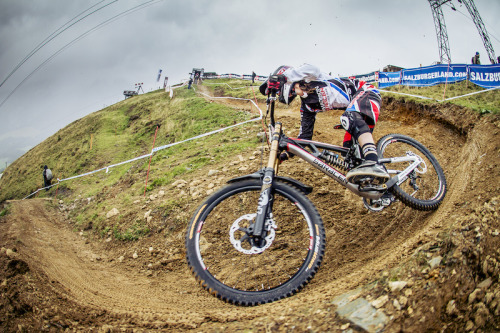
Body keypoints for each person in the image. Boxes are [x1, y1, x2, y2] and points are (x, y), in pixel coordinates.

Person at [260, 64, 389, 185]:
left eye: (277, 91)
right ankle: (383, 187)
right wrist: (286, 154)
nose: (278, 94)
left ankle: (374, 162)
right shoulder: (307, 106)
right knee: (349, 153)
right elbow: (304, 138)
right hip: (354, 109)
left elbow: (312, 68)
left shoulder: (312, 78)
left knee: (349, 118)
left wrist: (286, 77)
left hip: (365, 91)